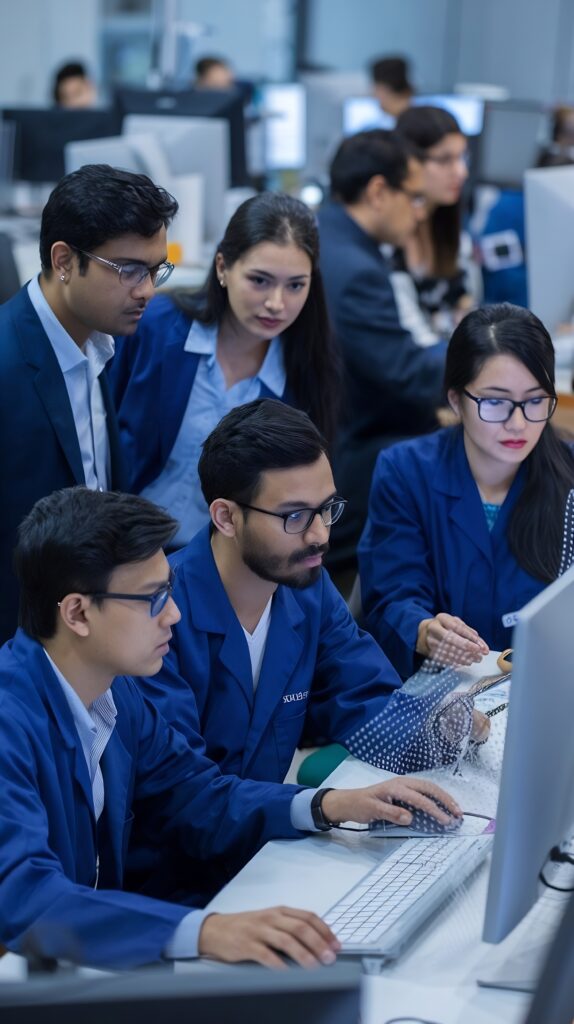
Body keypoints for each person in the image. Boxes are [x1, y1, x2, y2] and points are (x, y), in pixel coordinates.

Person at [0, 486, 461, 969]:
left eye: (170, 593)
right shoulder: (13, 720)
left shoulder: (116, 692)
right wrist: (205, 931)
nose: (173, 615)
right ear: (77, 612)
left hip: (78, 966)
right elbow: (29, 898)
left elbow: (198, 794)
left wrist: (327, 805)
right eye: (153, 599)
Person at [132, 399, 486, 900]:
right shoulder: (159, 617)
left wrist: (446, 723)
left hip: (263, 855)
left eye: (327, 509)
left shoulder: (307, 588)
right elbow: (188, 799)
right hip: (172, 886)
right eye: (295, 516)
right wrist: (327, 805)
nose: (321, 535)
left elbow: (368, 707)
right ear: (226, 517)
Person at [0, 163, 178, 645]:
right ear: (63, 261)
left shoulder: (101, 344)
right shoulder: (8, 363)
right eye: (128, 270)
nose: (146, 290)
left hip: (87, 638)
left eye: (156, 269)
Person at [109, 191, 342, 548]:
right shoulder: (154, 329)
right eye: (260, 280)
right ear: (222, 268)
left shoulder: (307, 372)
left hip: (222, 567)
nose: (276, 303)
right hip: (120, 549)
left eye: (295, 285)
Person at [359, 304, 574, 679]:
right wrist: (425, 631)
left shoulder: (569, 473)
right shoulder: (406, 473)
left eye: (536, 400)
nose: (518, 423)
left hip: (548, 689)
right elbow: (392, 596)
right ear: (456, 399)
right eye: (495, 401)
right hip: (443, 697)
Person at [317, 129, 445, 575]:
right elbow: (407, 373)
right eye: (413, 198)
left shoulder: (326, 234)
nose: (420, 213)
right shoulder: (356, 270)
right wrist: (482, 352)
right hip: (352, 453)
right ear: (377, 191)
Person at [394, 105, 479, 341]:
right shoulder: (389, 242)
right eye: (445, 160)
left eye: (463, 158)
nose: (461, 172)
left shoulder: (455, 235)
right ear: (409, 163)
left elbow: (470, 311)